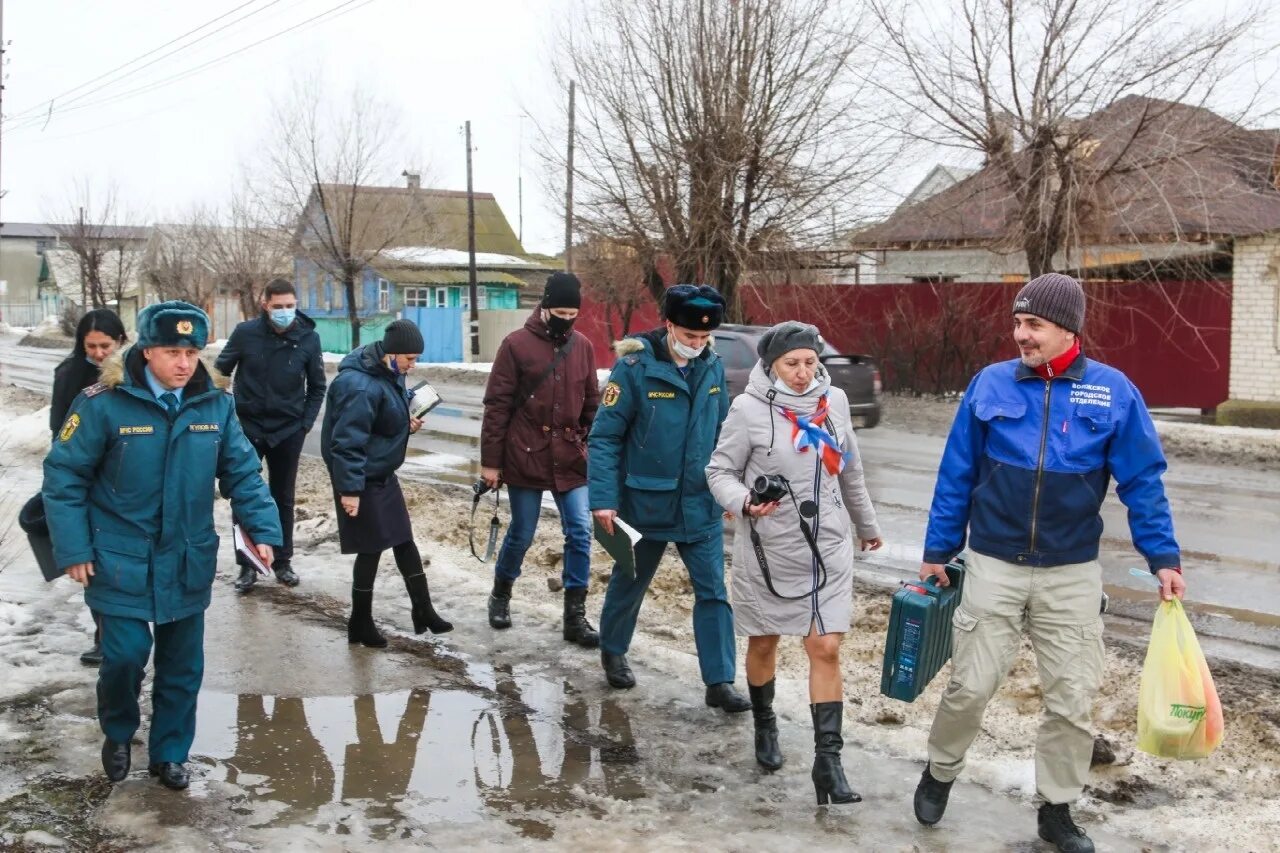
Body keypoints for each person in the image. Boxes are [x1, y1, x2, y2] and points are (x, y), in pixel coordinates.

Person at [913, 273, 1186, 853]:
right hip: (993, 563)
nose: (1020, 334)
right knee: (971, 685)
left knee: (1071, 700)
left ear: (1068, 328)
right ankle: (940, 771)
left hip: (1071, 573)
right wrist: (939, 550)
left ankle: (1057, 809)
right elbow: (956, 473)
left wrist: (1161, 556)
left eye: (1032, 324)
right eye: (1017, 323)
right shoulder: (990, 385)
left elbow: (1143, 481)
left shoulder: (1112, 392)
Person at [42, 300, 282, 791]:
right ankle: (117, 731)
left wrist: (263, 530)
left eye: (192, 352)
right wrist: (74, 549)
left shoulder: (213, 404)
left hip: (186, 557)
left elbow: (242, 473)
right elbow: (64, 476)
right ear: (147, 351)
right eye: (173, 351)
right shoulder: (103, 402)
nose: (184, 363)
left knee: (182, 665)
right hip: (117, 557)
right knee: (125, 656)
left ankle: (170, 753)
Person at [706, 321, 883, 804]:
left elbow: (851, 468)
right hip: (771, 547)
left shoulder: (836, 403)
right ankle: (766, 725)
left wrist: (866, 526)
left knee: (825, 647)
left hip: (827, 546)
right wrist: (744, 501)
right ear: (772, 366)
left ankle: (829, 763)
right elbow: (718, 469)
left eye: (810, 362)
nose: (804, 373)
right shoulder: (748, 409)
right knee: (764, 641)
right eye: (792, 364)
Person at [588, 284, 751, 713]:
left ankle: (719, 681)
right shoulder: (634, 367)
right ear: (669, 325)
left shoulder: (712, 367)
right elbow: (604, 437)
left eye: (703, 338)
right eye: (689, 336)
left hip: (699, 502)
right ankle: (614, 649)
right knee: (631, 581)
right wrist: (603, 499)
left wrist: (732, 491)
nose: (697, 345)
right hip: (645, 502)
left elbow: (724, 437)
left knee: (713, 591)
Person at [480, 271, 601, 647]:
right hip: (525, 454)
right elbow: (496, 407)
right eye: (560, 310)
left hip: (569, 456)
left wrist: (586, 440)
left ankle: (575, 616)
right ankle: (500, 595)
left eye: (572, 312)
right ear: (545, 307)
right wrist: (491, 464)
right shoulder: (515, 345)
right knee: (523, 532)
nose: (566, 317)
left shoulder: (582, 346)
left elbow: (592, 403)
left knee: (580, 531)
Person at [320, 320, 452, 646]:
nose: (412, 364)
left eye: (415, 359)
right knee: (371, 550)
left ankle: (423, 610)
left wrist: (406, 421)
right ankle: (359, 622)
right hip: (360, 477)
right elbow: (347, 442)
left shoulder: (388, 372)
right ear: (391, 353)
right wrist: (349, 491)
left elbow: (382, 416)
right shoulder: (359, 386)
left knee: (404, 540)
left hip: (381, 473)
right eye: (409, 358)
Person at [215, 278, 327, 592]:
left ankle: (282, 561)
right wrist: (225, 414)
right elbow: (219, 371)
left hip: (288, 430)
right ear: (265, 305)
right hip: (247, 428)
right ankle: (247, 564)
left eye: (290, 306)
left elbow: (318, 387)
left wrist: (304, 424)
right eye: (278, 306)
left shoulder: (308, 338)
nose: (284, 312)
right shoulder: (245, 334)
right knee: (244, 495)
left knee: (283, 498)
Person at [49, 307, 129, 667]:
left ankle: (128, 628)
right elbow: (58, 431)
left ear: (122, 342)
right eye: (91, 345)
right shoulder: (70, 375)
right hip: (88, 481)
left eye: (105, 345)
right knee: (96, 560)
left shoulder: (134, 375)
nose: (98, 353)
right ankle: (103, 635)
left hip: (124, 479)